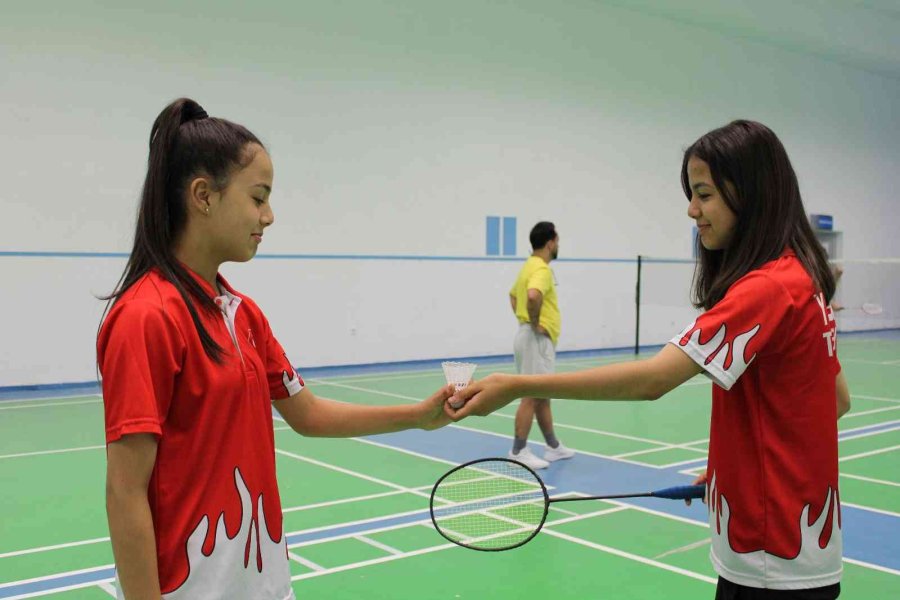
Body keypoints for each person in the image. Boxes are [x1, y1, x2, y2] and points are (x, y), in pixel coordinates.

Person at [449, 120, 851, 599]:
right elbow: (837, 400)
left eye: (703, 194)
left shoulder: (765, 288)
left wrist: (514, 385)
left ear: (750, 194)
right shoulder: (801, 278)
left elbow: (653, 379)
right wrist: (732, 470)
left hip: (770, 556)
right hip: (802, 551)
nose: (692, 209)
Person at [97, 98, 454, 600]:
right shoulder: (145, 316)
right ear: (203, 196)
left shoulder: (244, 314)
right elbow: (125, 491)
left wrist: (419, 416)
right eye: (258, 197)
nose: (269, 216)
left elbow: (307, 415)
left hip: (262, 583)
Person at [507, 221, 574, 469]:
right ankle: (518, 451)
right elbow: (533, 295)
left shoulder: (528, 266)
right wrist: (534, 322)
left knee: (542, 394)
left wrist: (523, 320)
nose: (557, 246)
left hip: (530, 336)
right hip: (535, 338)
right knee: (531, 394)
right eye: (557, 241)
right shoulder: (542, 270)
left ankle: (553, 447)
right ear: (550, 242)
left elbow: (514, 296)